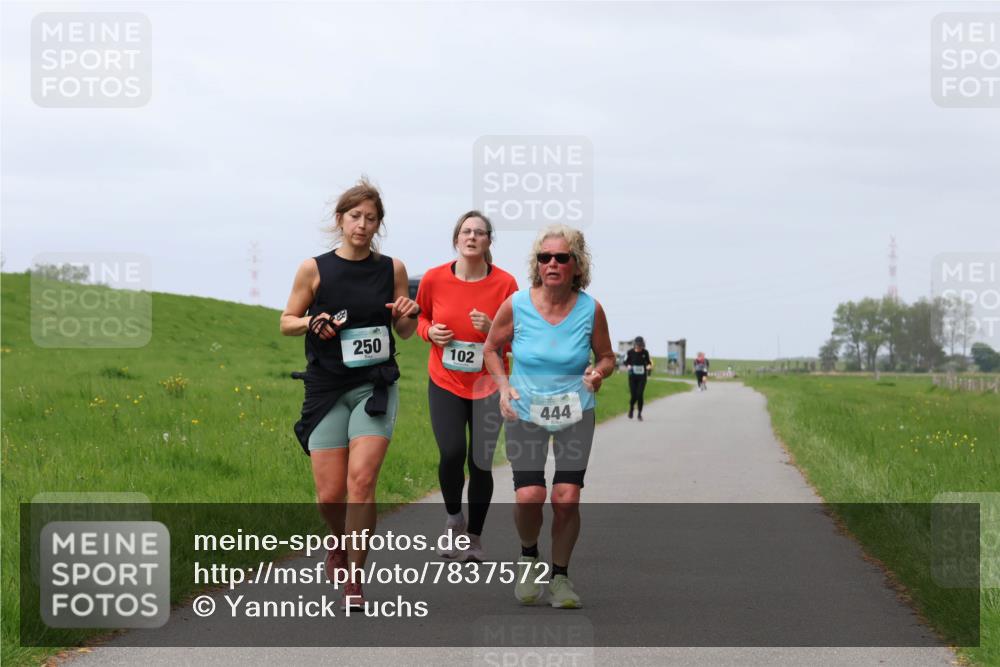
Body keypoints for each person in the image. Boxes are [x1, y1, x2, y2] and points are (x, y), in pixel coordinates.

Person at [280, 178, 420, 609]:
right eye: (355, 216)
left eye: (371, 218)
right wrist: (311, 322)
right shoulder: (314, 268)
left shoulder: (392, 269)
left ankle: (355, 579)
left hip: (373, 385)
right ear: (340, 219)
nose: (362, 224)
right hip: (325, 387)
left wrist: (408, 312)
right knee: (329, 495)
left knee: (362, 482)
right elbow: (286, 320)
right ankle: (337, 542)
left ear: (379, 224)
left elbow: (404, 331)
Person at [484, 224, 616, 609]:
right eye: (545, 258)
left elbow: (607, 357)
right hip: (526, 410)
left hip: (576, 411)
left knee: (566, 498)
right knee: (529, 496)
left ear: (577, 265)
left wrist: (598, 373)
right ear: (537, 265)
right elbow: (491, 348)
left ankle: (560, 577)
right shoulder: (517, 304)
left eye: (562, 257)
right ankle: (528, 558)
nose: (552, 264)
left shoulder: (591, 309)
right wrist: (504, 387)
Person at [415, 211, 518, 562]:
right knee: (452, 452)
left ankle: (474, 538)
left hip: (489, 383)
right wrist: (430, 332)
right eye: (465, 231)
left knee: (480, 462)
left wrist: (493, 327)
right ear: (456, 238)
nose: (471, 237)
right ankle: (454, 518)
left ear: (489, 241)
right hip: (445, 380)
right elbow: (421, 317)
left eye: (479, 232)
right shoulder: (433, 278)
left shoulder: (505, 284)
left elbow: (518, 336)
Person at [625, 336, 652, 420]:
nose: (639, 347)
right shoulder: (630, 352)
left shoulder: (645, 352)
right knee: (634, 395)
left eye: (640, 345)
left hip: (642, 377)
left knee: (640, 395)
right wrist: (628, 365)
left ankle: (639, 413)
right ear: (635, 344)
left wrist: (648, 366)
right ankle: (631, 408)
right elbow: (626, 361)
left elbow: (649, 363)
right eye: (637, 345)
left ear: (643, 345)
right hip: (632, 377)